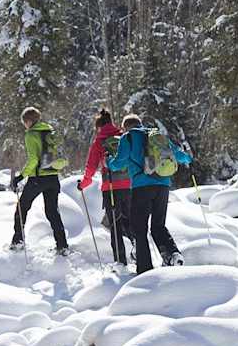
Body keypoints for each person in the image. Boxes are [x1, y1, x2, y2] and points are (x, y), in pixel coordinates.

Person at [108, 114, 193, 274]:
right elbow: (179, 155)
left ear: (126, 127)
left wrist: (109, 162)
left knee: (139, 228)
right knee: (158, 226)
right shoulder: (156, 135)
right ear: (140, 124)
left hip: (141, 187)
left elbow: (118, 163)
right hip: (163, 185)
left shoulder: (128, 138)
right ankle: (172, 254)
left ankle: (145, 268)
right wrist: (187, 158)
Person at [10, 107, 70, 255]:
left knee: (22, 208)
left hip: (38, 179)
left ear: (29, 121)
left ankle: (18, 241)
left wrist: (20, 177)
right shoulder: (50, 132)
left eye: (24, 122)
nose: (25, 125)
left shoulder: (31, 135)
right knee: (52, 212)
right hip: (53, 178)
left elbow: (33, 160)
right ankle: (62, 246)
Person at [78, 108, 134, 265]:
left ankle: (120, 261)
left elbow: (90, 167)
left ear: (98, 126)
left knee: (115, 225)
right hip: (129, 185)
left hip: (110, 188)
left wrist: (83, 184)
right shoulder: (123, 137)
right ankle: (138, 250)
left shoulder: (99, 142)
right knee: (130, 222)